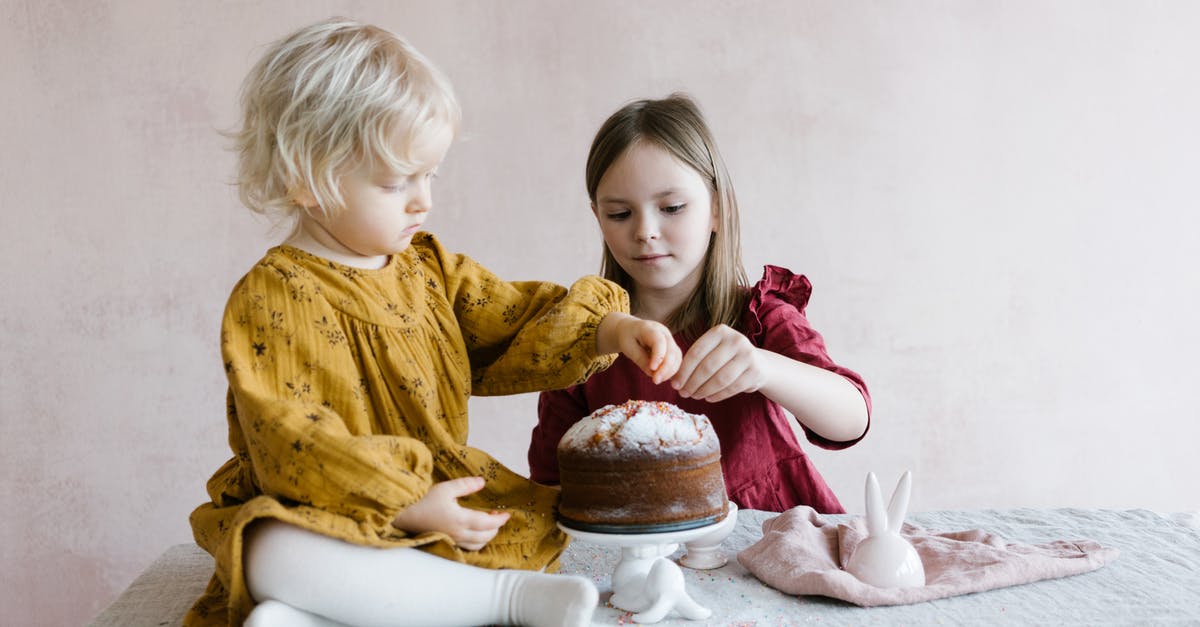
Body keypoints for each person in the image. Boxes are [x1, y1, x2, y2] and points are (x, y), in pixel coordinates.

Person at [186, 18, 682, 627]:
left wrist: (607, 330)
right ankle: (481, 604)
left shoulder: (427, 270)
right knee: (266, 546)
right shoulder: (271, 297)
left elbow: (511, 317)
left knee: (509, 531)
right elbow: (289, 435)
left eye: (430, 176)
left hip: (440, 495)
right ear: (306, 180)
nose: (423, 200)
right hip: (324, 501)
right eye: (396, 183)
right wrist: (403, 504)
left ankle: (454, 601)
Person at [528, 94, 871, 514]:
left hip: (768, 543)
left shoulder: (758, 317)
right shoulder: (584, 339)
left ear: (717, 209)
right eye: (620, 214)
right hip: (643, 555)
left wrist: (762, 367)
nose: (646, 231)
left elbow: (852, 419)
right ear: (597, 217)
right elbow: (551, 483)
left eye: (671, 208)